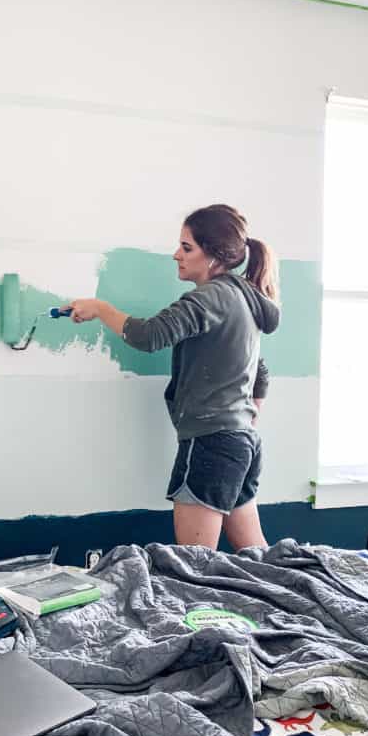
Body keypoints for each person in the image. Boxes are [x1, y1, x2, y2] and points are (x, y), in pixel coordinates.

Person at [67, 203, 280, 551]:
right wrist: (247, 416)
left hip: (211, 443)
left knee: (194, 565)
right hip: (241, 442)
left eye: (186, 247)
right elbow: (261, 370)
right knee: (256, 557)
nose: (176, 255)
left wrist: (100, 309)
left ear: (213, 256)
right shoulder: (242, 298)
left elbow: (150, 336)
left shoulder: (210, 298)